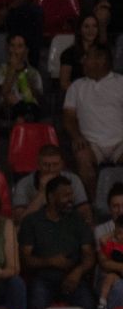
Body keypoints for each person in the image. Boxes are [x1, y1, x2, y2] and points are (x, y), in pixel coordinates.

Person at [19, 175, 96, 309]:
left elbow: (89, 254)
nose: (71, 199)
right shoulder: (31, 221)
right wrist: (50, 261)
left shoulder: (78, 219)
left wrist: (78, 272)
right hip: (42, 278)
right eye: (65, 195)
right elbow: (25, 259)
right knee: (36, 307)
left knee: (88, 306)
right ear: (51, 196)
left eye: (71, 194)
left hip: (73, 277)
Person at [64, 45, 123, 202]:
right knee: (82, 157)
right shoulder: (76, 86)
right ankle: (94, 206)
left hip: (120, 142)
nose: (82, 61)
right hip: (90, 143)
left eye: (87, 57)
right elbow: (69, 117)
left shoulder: (120, 83)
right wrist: (76, 136)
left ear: (101, 60)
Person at [11, 144, 92, 227]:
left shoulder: (73, 179)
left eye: (55, 164)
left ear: (62, 164)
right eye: (46, 165)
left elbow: (84, 211)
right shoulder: (23, 184)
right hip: (37, 228)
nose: (51, 169)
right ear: (38, 165)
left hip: (67, 226)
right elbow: (21, 221)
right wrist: (42, 192)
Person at [0, 32, 43, 122]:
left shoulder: (33, 72)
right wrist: (12, 68)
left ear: (26, 50)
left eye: (20, 46)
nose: (15, 50)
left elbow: (38, 98)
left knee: (23, 117)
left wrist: (28, 79)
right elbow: (3, 93)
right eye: (12, 46)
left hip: (30, 108)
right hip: (8, 108)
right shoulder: (2, 70)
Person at [58, 13, 106, 95]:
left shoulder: (104, 52)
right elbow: (64, 84)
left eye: (94, 26)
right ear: (80, 30)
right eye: (86, 26)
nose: (91, 30)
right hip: (78, 97)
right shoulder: (68, 54)